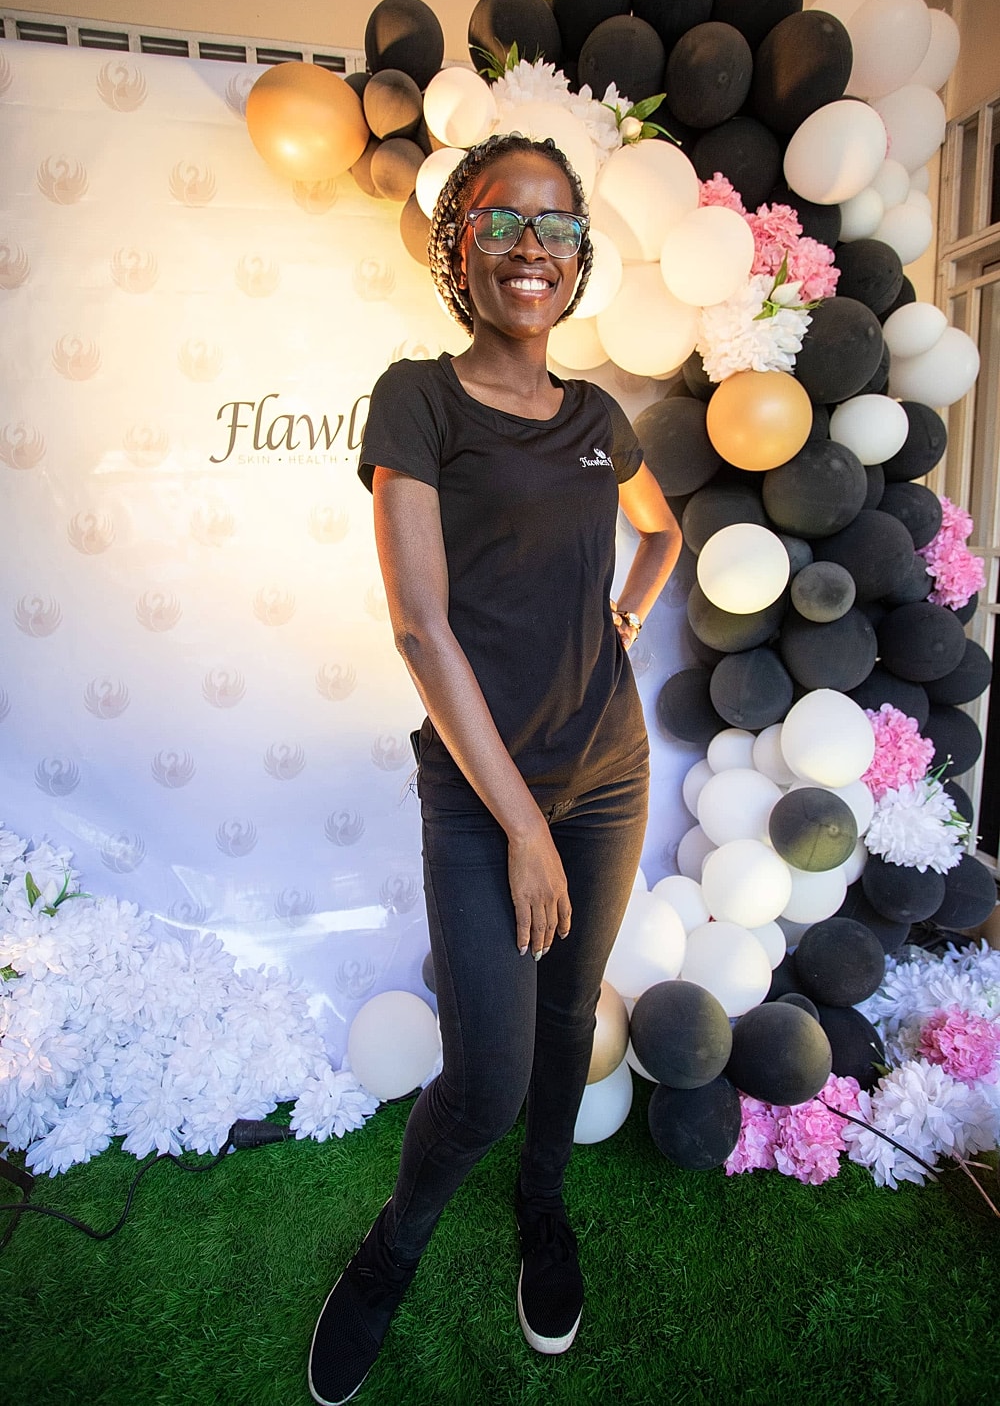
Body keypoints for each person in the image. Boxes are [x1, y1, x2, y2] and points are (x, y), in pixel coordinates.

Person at [308, 131, 681, 1405]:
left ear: (579, 260)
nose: (532, 248)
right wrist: (520, 825)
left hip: (610, 774)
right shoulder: (417, 395)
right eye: (502, 223)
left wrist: (622, 621)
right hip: (482, 800)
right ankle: (387, 1255)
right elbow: (420, 623)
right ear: (459, 249)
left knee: (568, 1025)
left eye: (556, 228)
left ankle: (543, 1212)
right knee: (479, 1079)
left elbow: (659, 535)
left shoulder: (598, 419)